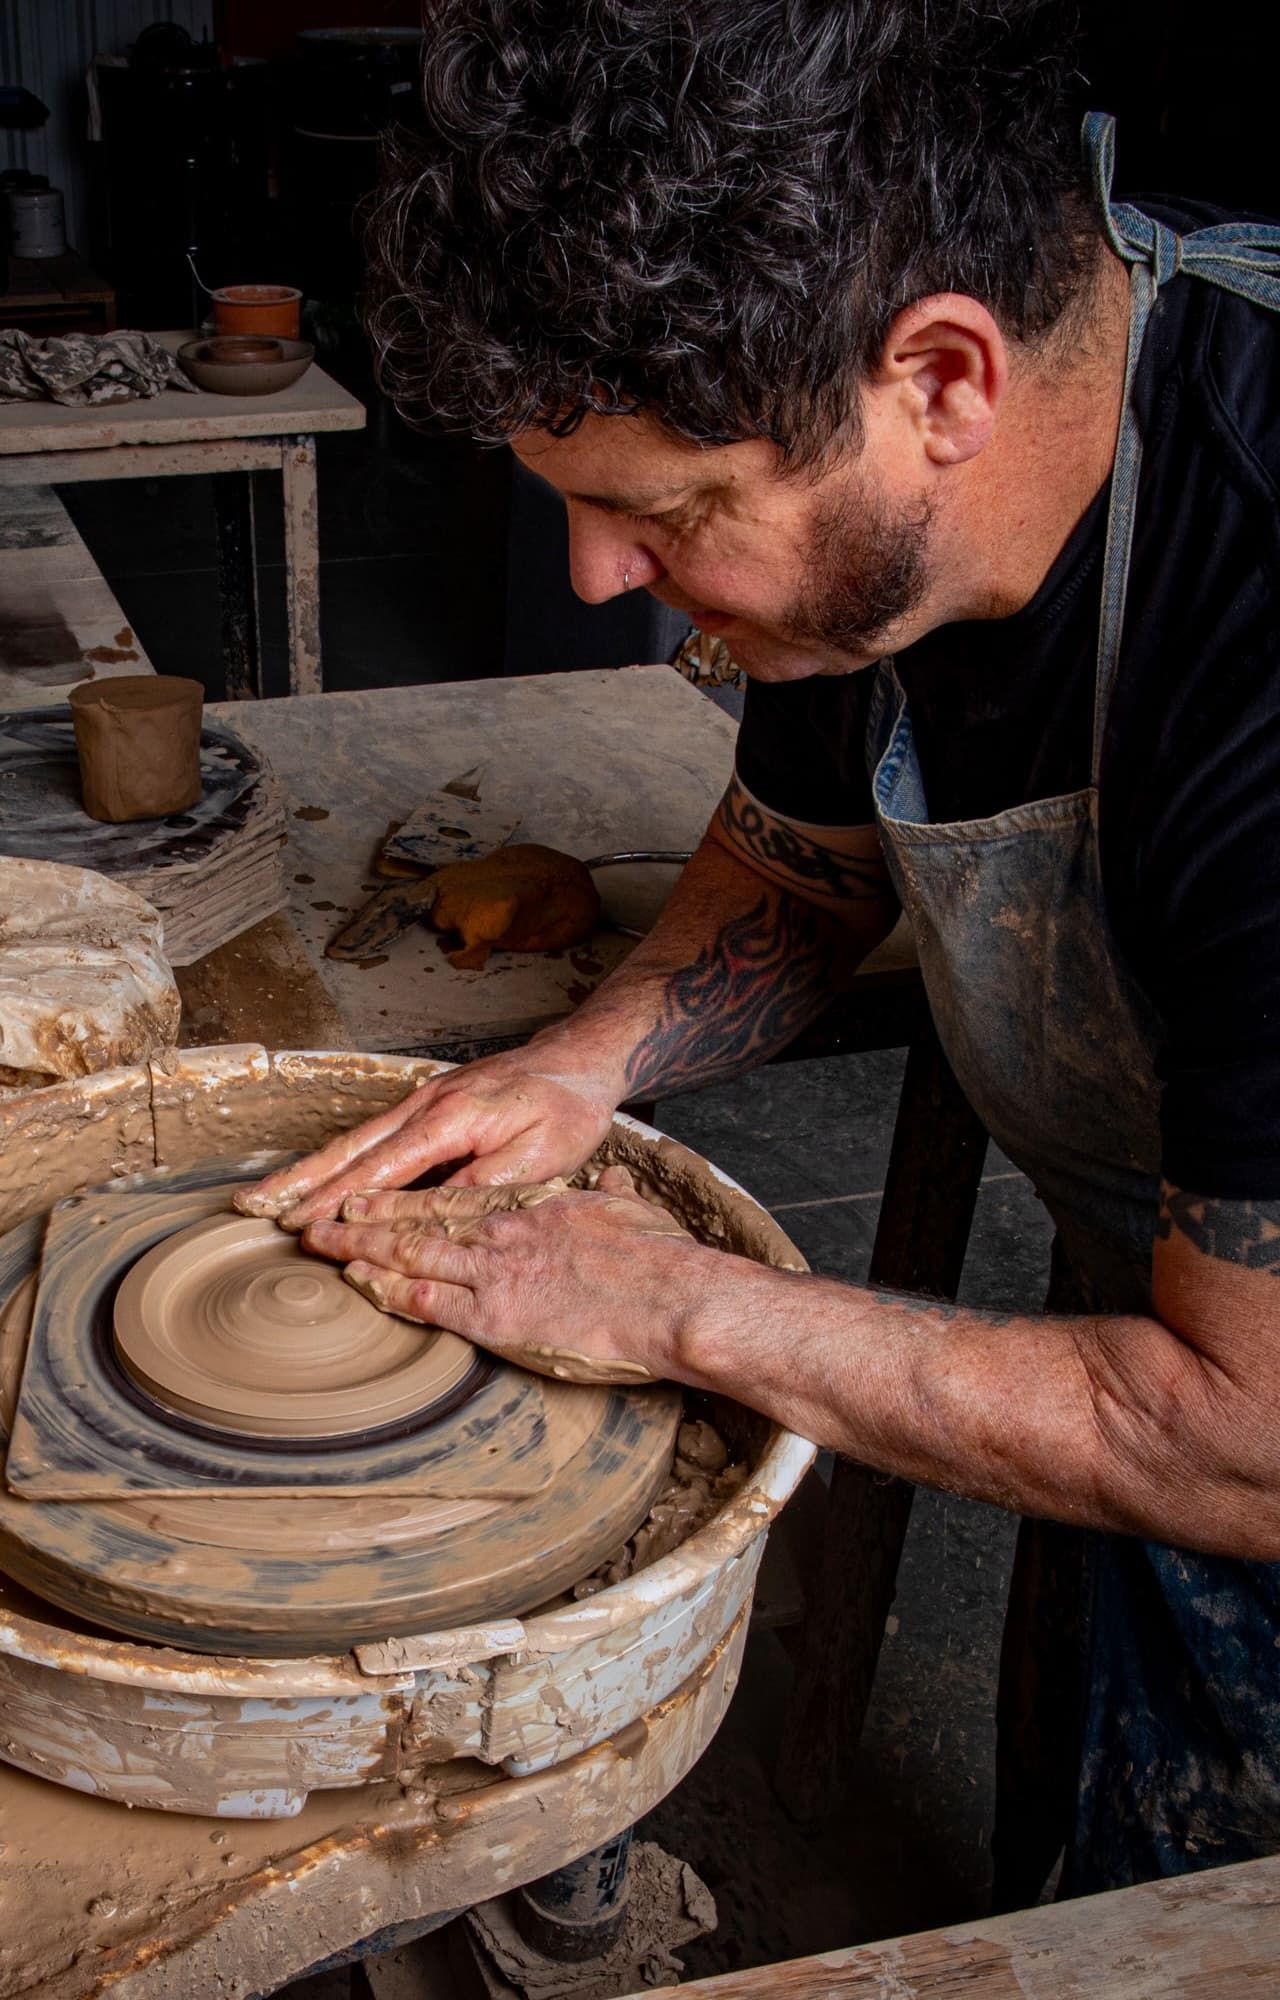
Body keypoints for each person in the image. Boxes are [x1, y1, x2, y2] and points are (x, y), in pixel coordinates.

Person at [243, 0, 1280, 1898]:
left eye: (660, 513)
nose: (593, 581)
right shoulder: (880, 524)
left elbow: (1246, 1440)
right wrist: (590, 1059)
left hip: (1246, 1405)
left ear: (943, 382)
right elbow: (802, 862)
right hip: (1176, 1302)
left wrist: (670, 1306)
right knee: (1094, 1820)